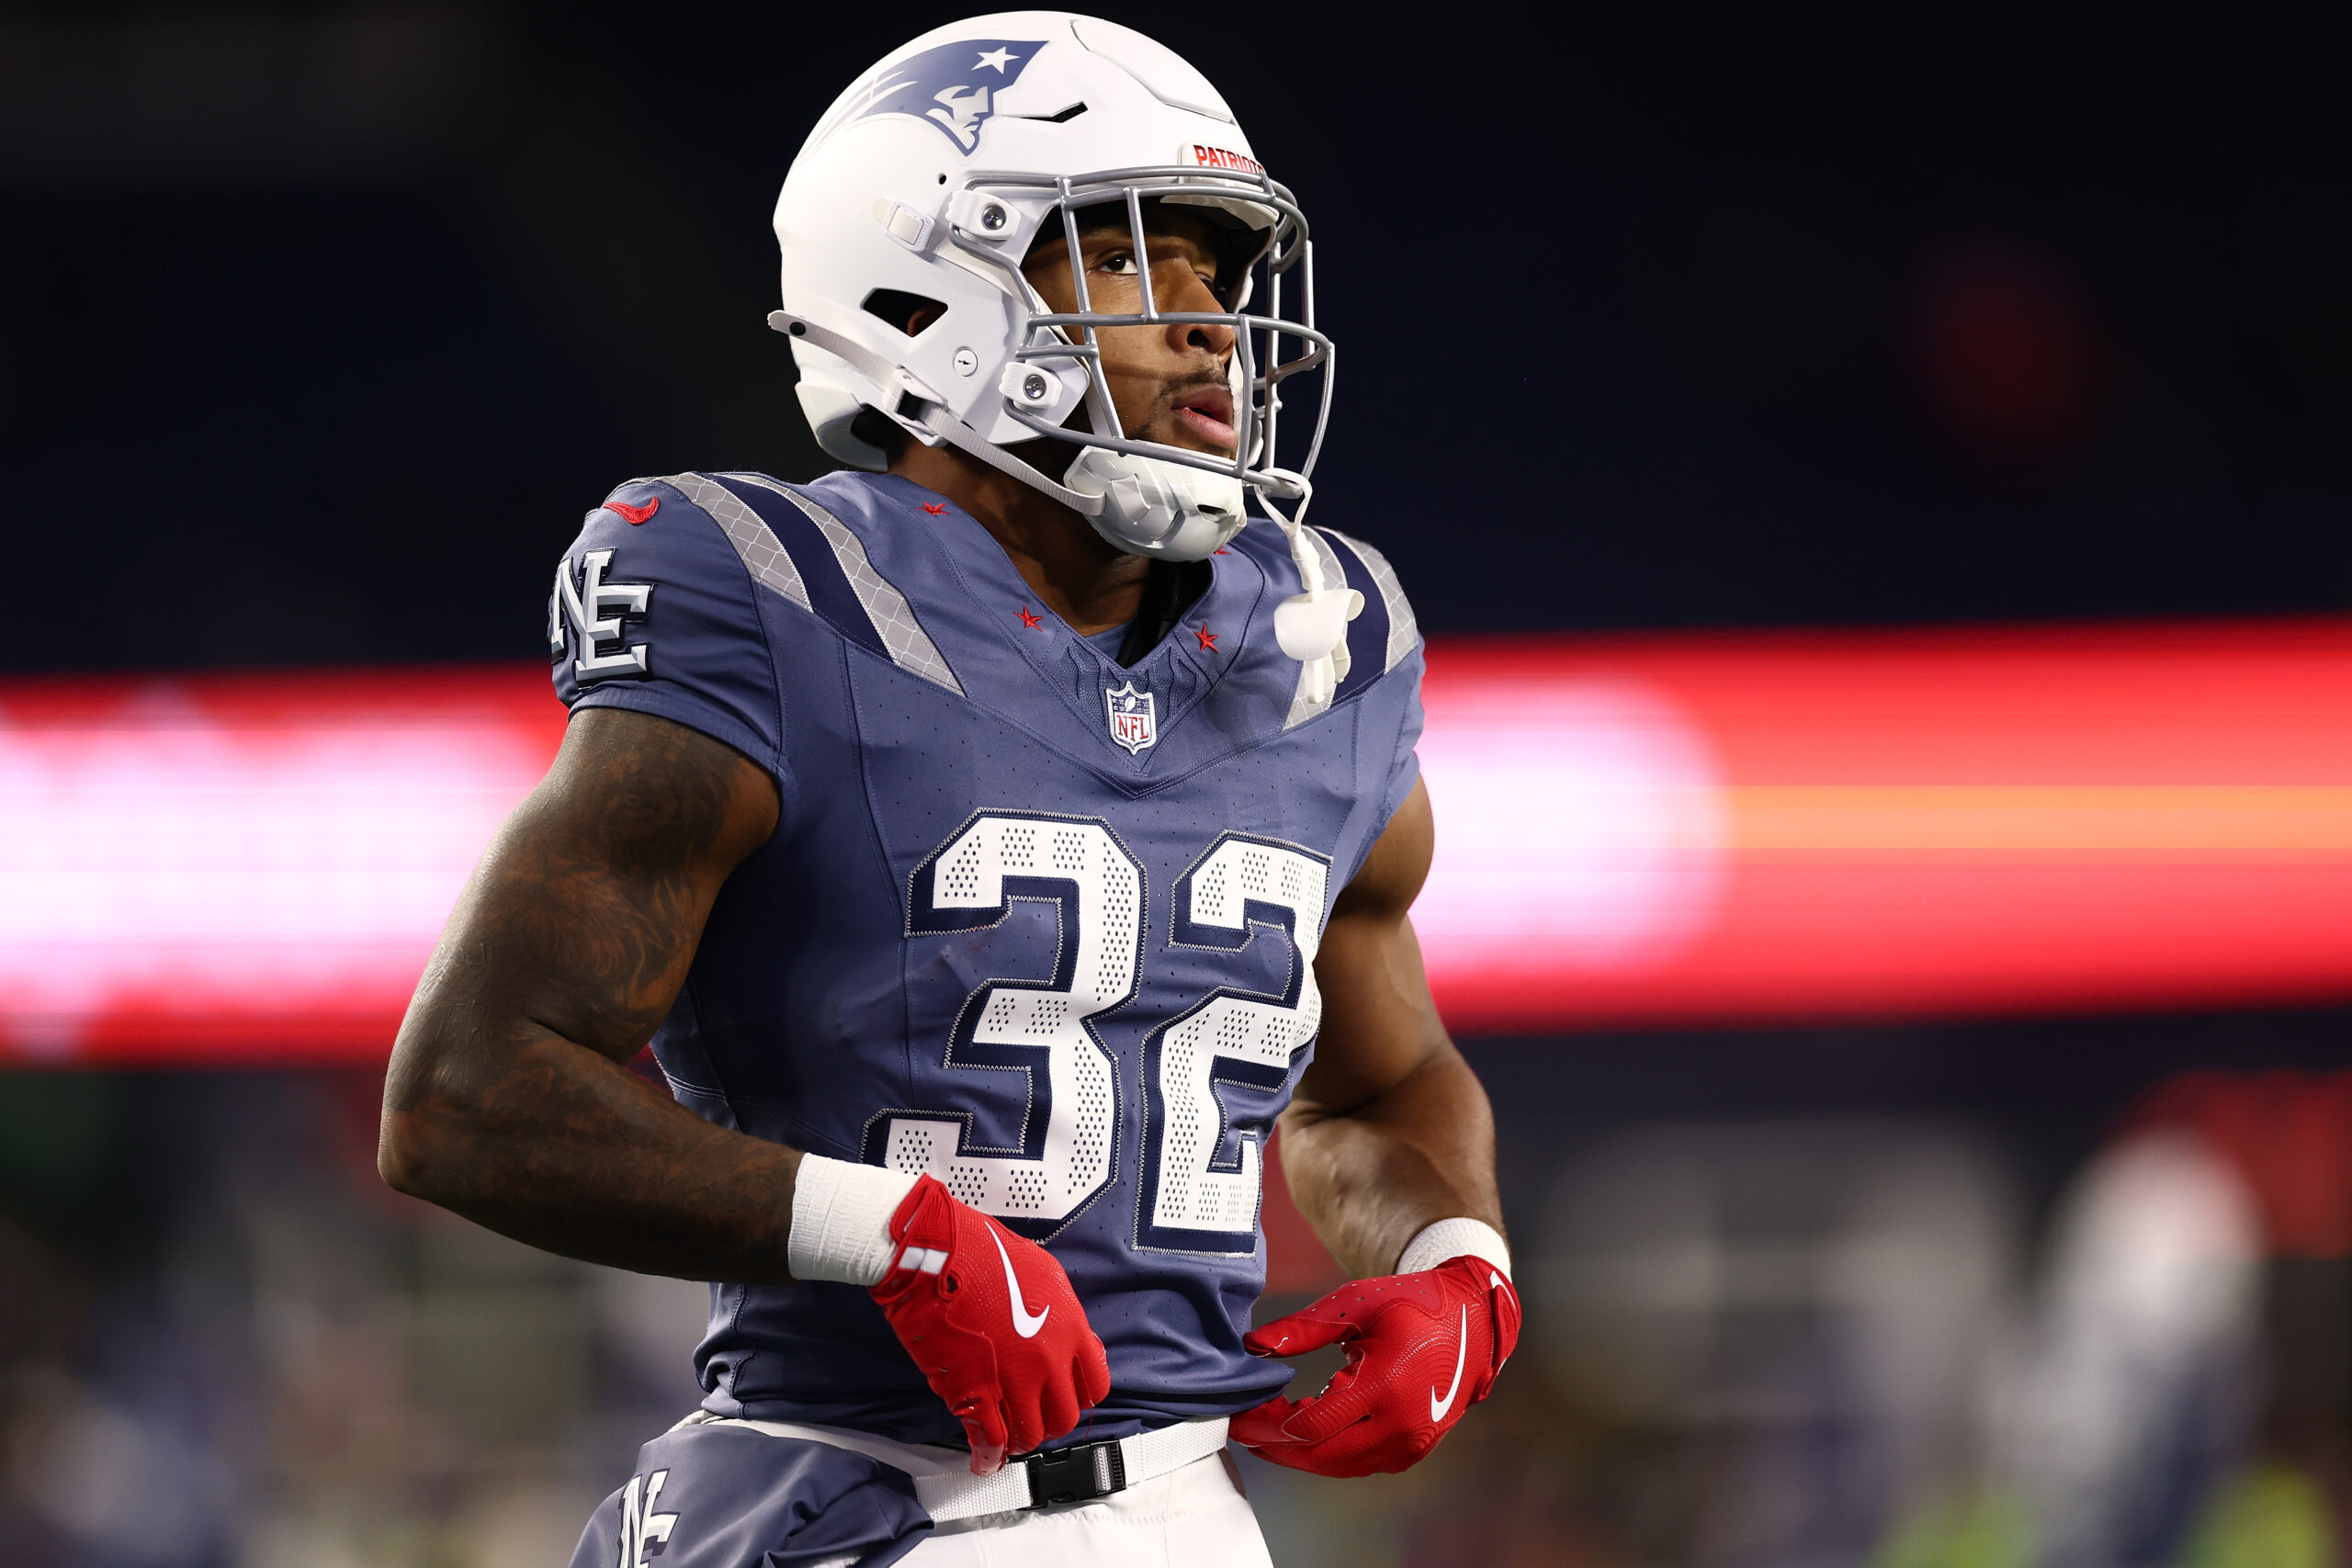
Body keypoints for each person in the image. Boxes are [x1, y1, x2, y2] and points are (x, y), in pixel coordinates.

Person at [379, 14, 1517, 1566]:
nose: (1207, 327)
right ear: (925, 298)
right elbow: (466, 1096)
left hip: (1190, 1514)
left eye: (1219, 276)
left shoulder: (1325, 641)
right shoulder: (774, 594)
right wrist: (889, 1237)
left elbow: (1380, 1082)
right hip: (848, 1500)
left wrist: (1456, 1256)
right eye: (1129, 263)